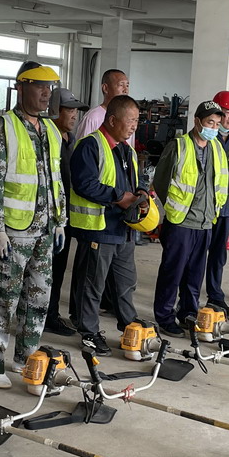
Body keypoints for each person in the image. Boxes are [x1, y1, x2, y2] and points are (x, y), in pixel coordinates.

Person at [0, 61, 66, 389]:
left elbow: (56, 179)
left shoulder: (51, 130)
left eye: (49, 88)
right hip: (14, 232)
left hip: (45, 229)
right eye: (40, 86)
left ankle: (26, 358)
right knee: (5, 298)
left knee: (38, 299)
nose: (46, 93)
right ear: (21, 87)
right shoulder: (3, 127)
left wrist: (59, 221)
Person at [69, 95, 145, 355]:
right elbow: (84, 184)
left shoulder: (127, 149)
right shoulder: (90, 146)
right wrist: (119, 197)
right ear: (112, 120)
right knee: (92, 284)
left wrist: (141, 193)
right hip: (98, 229)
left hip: (123, 229)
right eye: (130, 120)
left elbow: (135, 181)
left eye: (137, 121)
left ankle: (129, 326)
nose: (134, 126)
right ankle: (89, 332)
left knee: (126, 283)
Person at [152, 101, 228, 337]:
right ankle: (164, 316)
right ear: (197, 121)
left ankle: (188, 312)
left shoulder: (217, 149)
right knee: (172, 272)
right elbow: (161, 181)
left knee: (195, 275)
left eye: (216, 124)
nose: (213, 128)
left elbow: (219, 182)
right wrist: (174, 208)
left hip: (205, 222)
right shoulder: (179, 146)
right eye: (209, 122)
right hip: (181, 222)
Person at [43, 87, 88, 337]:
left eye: (75, 111)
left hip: (65, 216)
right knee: (45, 270)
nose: (74, 115)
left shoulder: (70, 140)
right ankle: (43, 316)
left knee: (58, 268)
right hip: (47, 217)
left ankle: (50, 315)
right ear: (54, 110)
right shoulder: (47, 138)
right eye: (69, 110)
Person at [204, 91, 229, 316]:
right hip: (206, 207)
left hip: (226, 207)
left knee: (219, 255)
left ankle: (215, 296)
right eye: (227, 113)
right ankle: (186, 298)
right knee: (196, 255)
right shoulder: (207, 139)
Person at [74, 68, 131, 142]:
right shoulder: (92, 118)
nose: (125, 90)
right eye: (121, 85)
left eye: (127, 85)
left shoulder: (129, 119)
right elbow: (82, 147)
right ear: (105, 88)